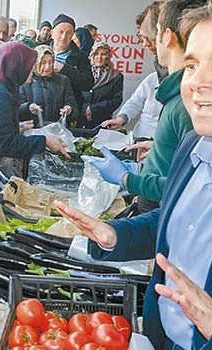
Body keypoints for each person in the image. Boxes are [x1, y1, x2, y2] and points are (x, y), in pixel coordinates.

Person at [57, 1, 212, 348]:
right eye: (192, 64)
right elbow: (179, 221)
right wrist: (115, 236)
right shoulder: (194, 144)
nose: (197, 83)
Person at [91, 0, 204, 213]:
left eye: (155, 33)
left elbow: (187, 185)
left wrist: (127, 180)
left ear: (167, 36)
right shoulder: (170, 93)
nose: (148, 42)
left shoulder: (185, 101)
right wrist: (159, 147)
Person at [0, 42, 69, 177]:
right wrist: (45, 141)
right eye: (30, 66)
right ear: (16, 66)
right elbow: (6, 144)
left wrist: (21, 119)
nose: (32, 70)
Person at [101, 2, 165, 139]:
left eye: (146, 37)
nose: (145, 44)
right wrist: (121, 119)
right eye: (141, 37)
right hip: (138, 139)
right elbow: (134, 102)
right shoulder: (152, 79)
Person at [19, 45, 78, 126]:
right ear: (35, 62)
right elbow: (16, 109)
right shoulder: (25, 81)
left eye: (50, 62)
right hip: (35, 132)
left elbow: (73, 106)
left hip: (58, 131)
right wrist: (28, 108)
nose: (47, 67)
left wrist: (69, 110)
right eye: (43, 63)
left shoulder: (63, 80)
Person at [50, 13, 94, 115]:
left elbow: (88, 84)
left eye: (69, 33)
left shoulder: (80, 57)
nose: (64, 36)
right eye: (60, 32)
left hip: (68, 110)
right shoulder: (38, 51)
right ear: (52, 33)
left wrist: (65, 69)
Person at [81, 42, 124, 129]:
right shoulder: (83, 73)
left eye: (103, 54)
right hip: (80, 120)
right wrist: (84, 108)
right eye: (96, 54)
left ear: (108, 56)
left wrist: (92, 109)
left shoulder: (116, 76)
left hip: (102, 122)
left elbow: (116, 100)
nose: (99, 57)